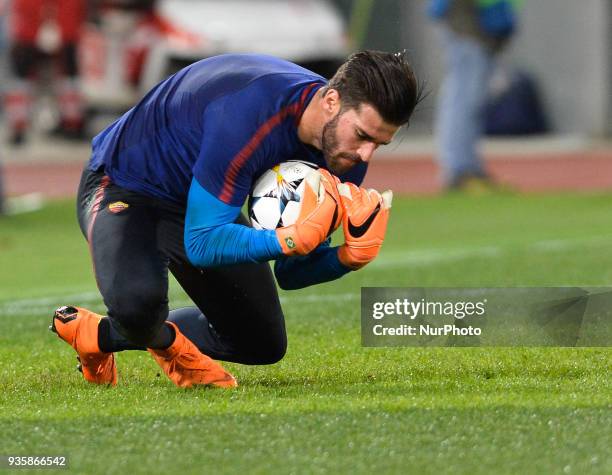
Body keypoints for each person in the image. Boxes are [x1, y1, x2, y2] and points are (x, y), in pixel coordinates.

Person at [50, 51, 422, 388]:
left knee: (261, 342)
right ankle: (172, 351)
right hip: (127, 184)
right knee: (137, 305)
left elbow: (291, 273)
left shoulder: (344, 154)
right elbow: (202, 244)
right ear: (331, 101)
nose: (365, 153)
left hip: (199, 198)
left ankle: (94, 335)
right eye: (362, 135)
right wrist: (287, 239)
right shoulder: (248, 114)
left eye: (379, 144)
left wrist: (346, 258)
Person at [427, 0, 520, 191]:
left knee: (470, 101)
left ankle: (468, 168)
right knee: (463, 99)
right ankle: (459, 171)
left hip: (478, 19)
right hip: (464, 16)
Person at [5, 0, 86, 145]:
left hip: (44, 23)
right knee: (21, 79)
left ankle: (72, 123)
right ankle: (19, 125)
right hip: (35, 23)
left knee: (68, 77)